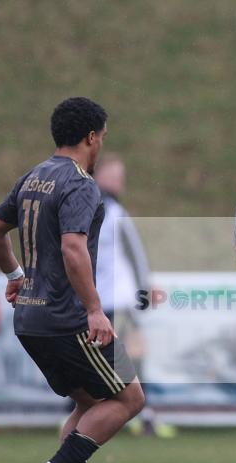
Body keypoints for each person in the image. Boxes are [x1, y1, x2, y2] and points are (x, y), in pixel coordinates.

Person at [0, 96, 145, 463]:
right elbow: (74, 247)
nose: (102, 146)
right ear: (92, 137)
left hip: (30, 318)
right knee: (129, 398)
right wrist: (94, 310)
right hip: (66, 316)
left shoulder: (34, 176)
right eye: (103, 138)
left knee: (90, 404)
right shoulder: (79, 183)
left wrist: (15, 275)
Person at [92, 154, 171, 437]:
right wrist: (143, 290)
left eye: (120, 174)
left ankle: (111, 412)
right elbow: (135, 254)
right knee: (129, 357)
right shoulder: (110, 209)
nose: (119, 180)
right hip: (113, 299)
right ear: (97, 175)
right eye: (113, 174)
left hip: (105, 299)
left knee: (110, 358)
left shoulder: (96, 207)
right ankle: (140, 413)